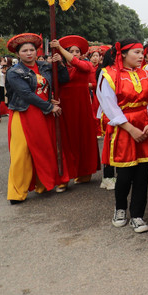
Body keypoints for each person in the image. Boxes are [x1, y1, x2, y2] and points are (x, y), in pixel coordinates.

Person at [97, 39, 148, 234]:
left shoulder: (147, 74)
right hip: (123, 127)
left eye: (142, 53)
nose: (141, 56)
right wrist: (130, 129)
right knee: (124, 174)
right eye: (136, 53)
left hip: (145, 126)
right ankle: (120, 208)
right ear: (123, 54)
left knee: (142, 174)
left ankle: (137, 214)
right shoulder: (109, 74)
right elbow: (109, 106)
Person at [5, 33, 70, 203]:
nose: (29, 53)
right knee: (21, 153)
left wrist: (59, 63)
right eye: (24, 51)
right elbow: (25, 94)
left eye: (31, 50)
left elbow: (63, 79)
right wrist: (49, 106)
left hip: (44, 114)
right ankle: (17, 192)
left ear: (36, 51)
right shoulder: (14, 72)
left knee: (44, 149)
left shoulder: (44, 66)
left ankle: (44, 184)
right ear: (18, 54)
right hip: (25, 112)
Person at [51, 36, 101, 189]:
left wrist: (60, 48)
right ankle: (64, 176)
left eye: (77, 51)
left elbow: (81, 66)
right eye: (71, 51)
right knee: (65, 141)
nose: (75, 53)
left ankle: (84, 173)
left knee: (83, 138)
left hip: (82, 107)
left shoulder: (85, 65)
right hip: (64, 107)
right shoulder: (58, 67)